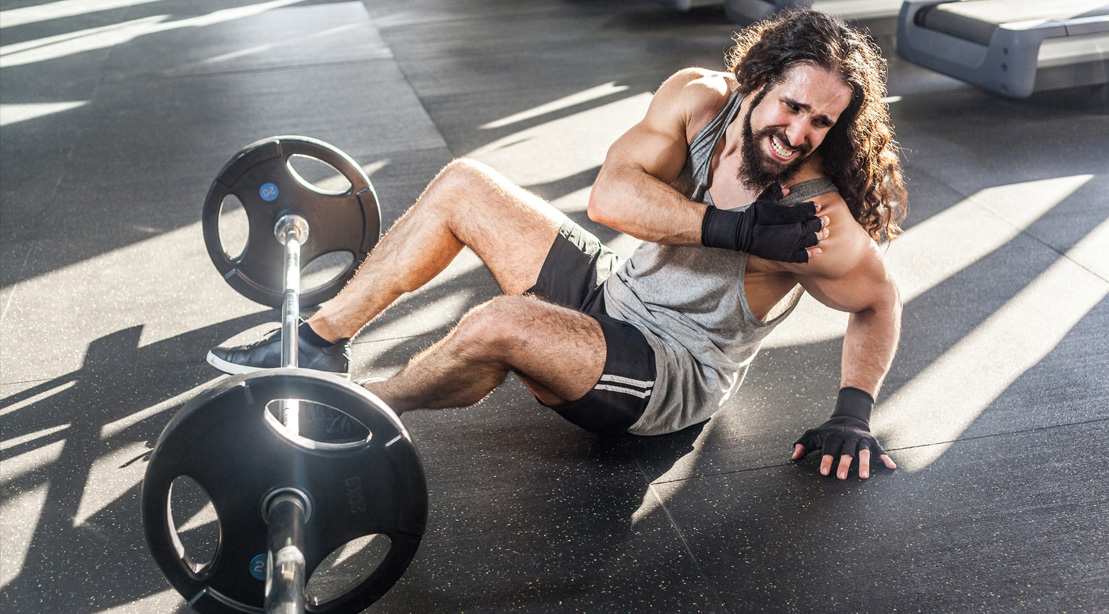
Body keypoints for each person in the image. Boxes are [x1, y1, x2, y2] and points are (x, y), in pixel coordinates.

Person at [208, 9, 907, 481]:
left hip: (671, 371)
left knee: (497, 324)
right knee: (463, 183)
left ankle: (358, 411)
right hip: (612, 289)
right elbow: (609, 198)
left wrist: (852, 410)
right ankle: (316, 340)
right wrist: (734, 228)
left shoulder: (813, 215)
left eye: (821, 121)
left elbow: (877, 300)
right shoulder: (699, 98)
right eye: (791, 105)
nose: (797, 133)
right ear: (756, 82)